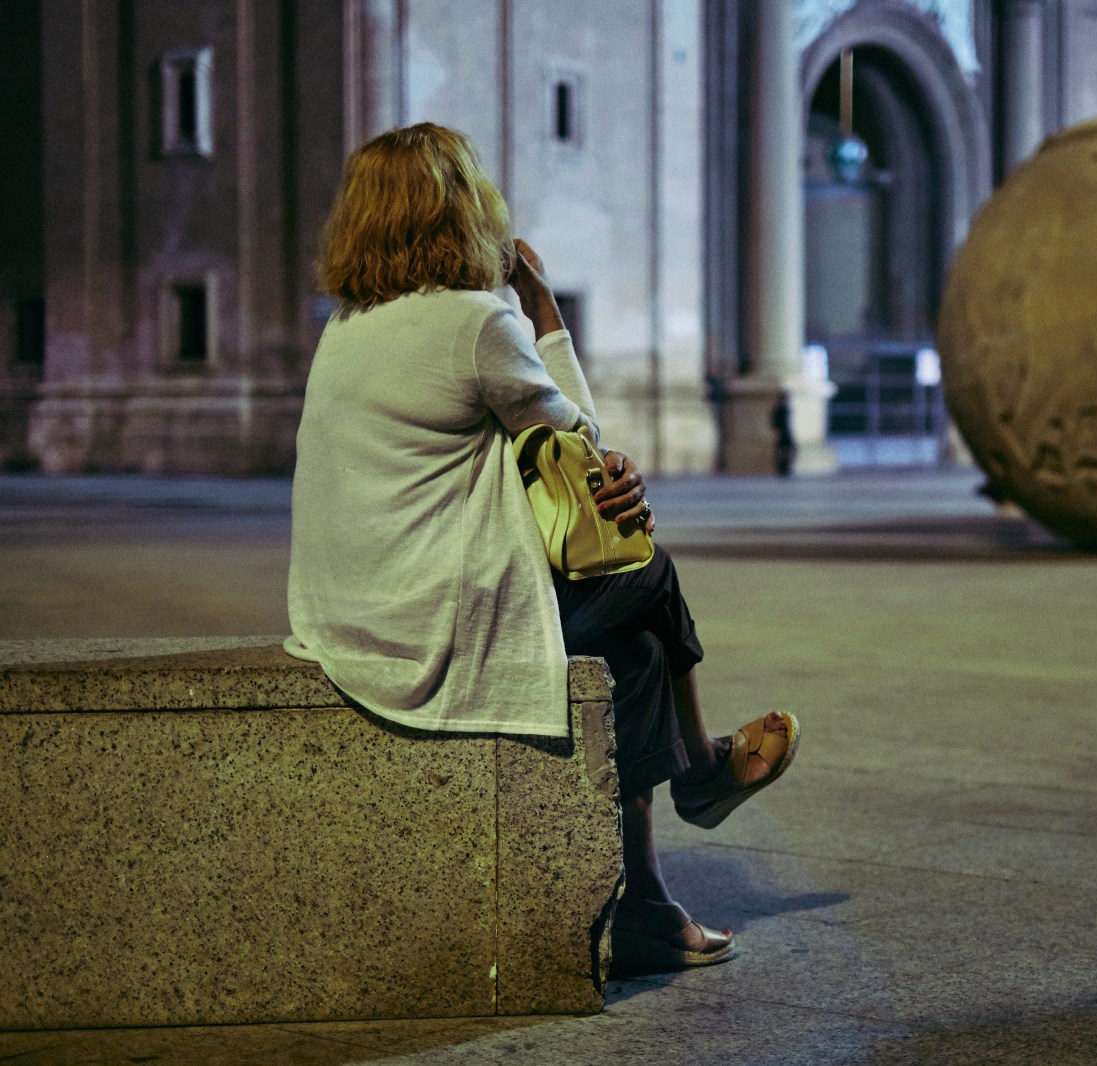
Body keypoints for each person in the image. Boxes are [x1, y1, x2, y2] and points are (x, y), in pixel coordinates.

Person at [284, 122, 798, 976]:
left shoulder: (347, 326)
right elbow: (584, 446)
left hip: (349, 614)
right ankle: (702, 777)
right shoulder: (475, 321)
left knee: (631, 648)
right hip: (432, 622)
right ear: (465, 210)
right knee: (645, 566)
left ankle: (646, 903)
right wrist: (546, 307)